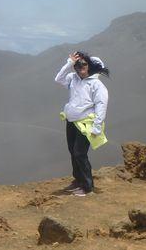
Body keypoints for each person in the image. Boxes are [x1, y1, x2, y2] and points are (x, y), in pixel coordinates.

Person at [54, 51, 109, 197]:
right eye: (77, 65)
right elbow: (58, 79)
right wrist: (69, 62)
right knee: (73, 151)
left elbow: (101, 106)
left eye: (83, 64)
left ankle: (87, 186)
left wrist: (97, 127)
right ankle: (78, 181)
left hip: (86, 123)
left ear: (90, 66)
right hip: (71, 121)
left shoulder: (96, 85)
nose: (80, 67)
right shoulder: (73, 78)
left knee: (80, 153)